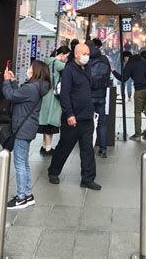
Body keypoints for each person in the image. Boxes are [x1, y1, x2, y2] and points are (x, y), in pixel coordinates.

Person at [48, 42, 101, 190]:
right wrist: (69, 114)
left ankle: (88, 178)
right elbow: (64, 94)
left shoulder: (88, 67)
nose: (87, 56)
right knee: (64, 147)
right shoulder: (69, 70)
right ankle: (53, 171)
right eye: (84, 53)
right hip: (72, 118)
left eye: (88, 54)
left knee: (88, 150)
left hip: (86, 117)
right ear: (76, 54)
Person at [2, 59, 50, 210]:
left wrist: (6, 81)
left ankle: (21, 197)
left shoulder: (31, 88)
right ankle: (28, 194)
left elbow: (10, 96)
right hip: (29, 127)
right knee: (24, 162)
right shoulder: (37, 87)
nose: (28, 69)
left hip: (23, 128)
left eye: (30, 67)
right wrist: (14, 81)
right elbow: (18, 95)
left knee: (20, 163)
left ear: (35, 71)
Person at [113, 49, 146, 142]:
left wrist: (113, 71)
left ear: (125, 57)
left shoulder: (130, 63)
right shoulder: (144, 61)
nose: (124, 62)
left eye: (124, 60)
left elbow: (123, 78)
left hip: (139, 90)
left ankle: (137, 135)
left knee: (137, 112)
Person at [38, 45, 71, 157]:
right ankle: (48, 148)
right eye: (66, 56)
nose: (66, 59)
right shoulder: (57, 63)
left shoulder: (47, 61)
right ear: (61, 55)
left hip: (45, 94)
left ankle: (44, 146)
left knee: (45, 122)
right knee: (50, 123)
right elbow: (69, 68)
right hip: (53, 95)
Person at [89, 38, 111, 158]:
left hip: (89, 95)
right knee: (102, 123)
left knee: (88, 122)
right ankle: (103, 150)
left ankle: (88, 147)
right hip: (101, 95)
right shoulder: (105, 59)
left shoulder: (87, 60)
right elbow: (109, 75)